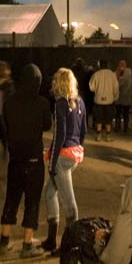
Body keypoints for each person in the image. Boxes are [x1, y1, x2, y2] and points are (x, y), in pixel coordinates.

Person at [55, 175, 132, 264]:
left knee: (75, 250)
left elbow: (110, 260)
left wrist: (98, 244)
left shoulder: (127, 219)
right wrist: (110, 235)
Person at [0, 63, 52, 258]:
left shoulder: (10, 102)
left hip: (15, 158)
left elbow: (6, 124)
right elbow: (47, 126)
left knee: (11, 198)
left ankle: (4, 242)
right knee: (32, 201)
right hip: (34, 158)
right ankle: (27, 244)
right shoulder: (42, 103)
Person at [41, 68, 87, 254]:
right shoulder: (80, 101)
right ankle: (51, 240)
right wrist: (78, 147)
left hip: (62, 156)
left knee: (69, 203)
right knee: (50, 192)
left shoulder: (60, 103)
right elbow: (83, 130)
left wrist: (52, 163)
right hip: (74, 153)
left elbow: (59, 134)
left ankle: (69, 246)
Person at [88, 59, 119, 142]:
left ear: (100, 65)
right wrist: (115, 97)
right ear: (107, 65)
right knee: (108, 118)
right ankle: (108, 136)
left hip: (98, 100)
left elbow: (91, 87)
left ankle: (99, 135)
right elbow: (116, 88)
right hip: (109, 100)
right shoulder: (112, 75)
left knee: (99, 118)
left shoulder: (96, 74)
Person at [115, 67, 132, 134]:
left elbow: (117, 88)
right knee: (126, 115)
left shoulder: (121, 79)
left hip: (119, 99)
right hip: (127, 100)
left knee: (118, 114)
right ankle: (125, 128)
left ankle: (117, 127)